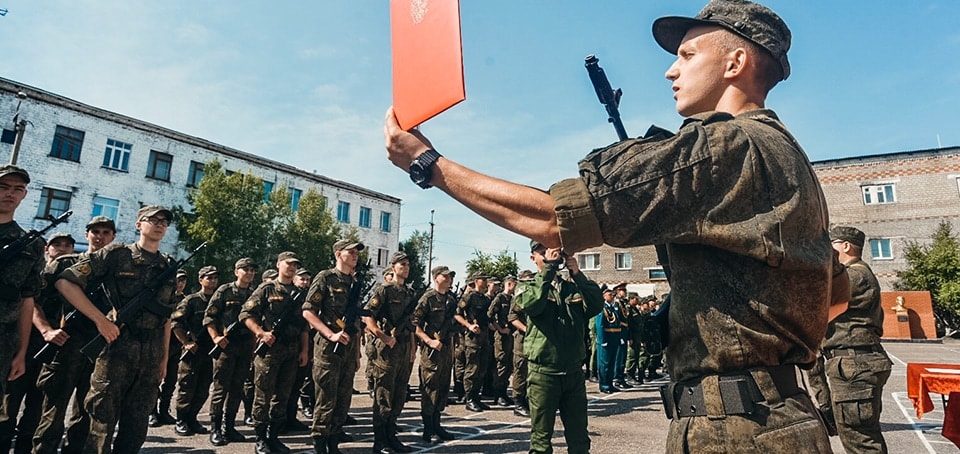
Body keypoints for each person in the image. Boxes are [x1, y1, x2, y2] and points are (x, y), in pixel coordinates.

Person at [384, 0, 844, 450]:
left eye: (688, 55)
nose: (671, 70)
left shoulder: (729, 147)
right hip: (773, 412)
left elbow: (551, 219)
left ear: (735, 62)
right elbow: (835, 296)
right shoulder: (787, 157)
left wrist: (428, 164)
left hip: (739, 429)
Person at [56, 205, 178, 453]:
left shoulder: (168, 265)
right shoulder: (116, 254)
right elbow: (66, 281)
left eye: (164, 221)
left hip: (150, 355)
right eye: (152, 219)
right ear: (138, 225)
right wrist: (101, 320)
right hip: (116, 351)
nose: (159, 224)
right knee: (101, 423)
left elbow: (166, 316)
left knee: (136, 426)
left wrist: (163, 358)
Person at [33, 216, 116, 454]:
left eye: (106, 232)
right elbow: (32, 300)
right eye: (95, 231)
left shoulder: (116, 271)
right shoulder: (63, 263)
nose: (100, 236)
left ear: (113, 237)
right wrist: (46, 330)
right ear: (86, 234)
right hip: (64, 347)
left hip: (98, 350)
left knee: (85, 416)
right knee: (52, 416)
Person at [807, 226, 892, 453]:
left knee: (860, 440)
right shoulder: (858, 274)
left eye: (831, 244)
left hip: (854, 365)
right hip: (855, 364)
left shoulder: (853, 275)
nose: (828, 251)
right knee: (859, 434)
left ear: (845, 246)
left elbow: (816, 301)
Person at [513, 241, 602, 453]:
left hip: (572, 372)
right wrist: (550, 268)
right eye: (543, 253)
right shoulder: (526, 286)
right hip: (544, 374)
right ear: (533, 258)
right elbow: (532, 305)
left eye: (554, 252)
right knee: (542, 440)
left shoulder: (571, 287)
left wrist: (578, 274)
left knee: (579, 438)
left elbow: (597, 305)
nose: (550, 256)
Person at [1, 230, 71, 454]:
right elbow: (27, 304)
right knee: (8, 407)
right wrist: (45, 330)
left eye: (67, 245)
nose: (62, 248)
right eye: (56, 244)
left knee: (36, 410)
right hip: (24, 344)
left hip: (53, 351)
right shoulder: (35, 274)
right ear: (46, 250)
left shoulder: (73, 280)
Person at [239, 251, 309, 454]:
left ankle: (274, 436)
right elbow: (246, 314)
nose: (292, 268)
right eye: (289, 264)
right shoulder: (267, 289)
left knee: (283, 396)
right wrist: (261, 333)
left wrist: (304, 350)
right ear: (279, 265)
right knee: (263, 395)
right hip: (270, 351)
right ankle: (260, 439)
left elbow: (304, 326)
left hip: (292, 350)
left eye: (295, 265)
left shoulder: (300, 293)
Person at [302, 239, 364, 454]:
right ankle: (320, 444)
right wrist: (330, 334)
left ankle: (334, 443)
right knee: (326, 399)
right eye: (351, 251)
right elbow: (308, 311)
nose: (356, 255)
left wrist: (356, 355)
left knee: (343, 398)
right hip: (328, 348)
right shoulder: (326, 278)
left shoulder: (355, 282)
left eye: (357, 252)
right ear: (339, 254)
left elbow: (355, 321)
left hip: (347, 348)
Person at [363, 251, 417, 454]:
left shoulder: (409, 293)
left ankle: (391, 434)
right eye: (401, 264)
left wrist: (412, 349)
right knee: (384, 394)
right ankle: (380, 441)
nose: (406, 267)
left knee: (400, 393)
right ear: (393, 267)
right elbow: (368, 316)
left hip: (402, 348)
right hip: (386, 350)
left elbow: (411, 324)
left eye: (408, 264)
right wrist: (383, 337)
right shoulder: (384, 290)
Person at [204, 257, 257, 446]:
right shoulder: (225, 291)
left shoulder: (253, 293)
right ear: (236, 272)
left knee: (237, 388)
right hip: (226, 346)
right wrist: (216, 338)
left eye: (252, 270)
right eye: (245, 269)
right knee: (220, 388)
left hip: (244, 346)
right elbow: (209, 316)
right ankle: (216, 428)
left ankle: (229, 426)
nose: (249, 273)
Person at [412, 265, 458, 444]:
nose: (449, 279)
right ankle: (428, 428)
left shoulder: (451, 300)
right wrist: (429, 340)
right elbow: (414, 323)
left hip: (446, 349)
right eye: (445, 276)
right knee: (430, 388)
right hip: (431, 351)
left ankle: (437, 425)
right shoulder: (428, 298)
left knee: (443, 387)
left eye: (450, 276)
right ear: (435, 278)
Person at [171, 265, 219, 436]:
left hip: (211, 350)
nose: (212, 281)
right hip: (194, 350)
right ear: (201, 280)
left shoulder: (218, 299)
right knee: (187, 386)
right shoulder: (191, 300)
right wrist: (185, 342)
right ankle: (181, 420)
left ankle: (192, 418)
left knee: (203, 387)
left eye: (214, 278)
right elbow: (175, 323)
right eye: (209, 278)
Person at [150, 268, 187, 428]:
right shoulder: (163, 298)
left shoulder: (186, 300)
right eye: (178, 280)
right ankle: (152, 412)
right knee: (155, 379)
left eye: (183, 281)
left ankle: (164, 410)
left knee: (171, 380)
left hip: (176, 345)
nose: (180, 284)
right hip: (159, 343)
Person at [455, 273, 493, 412]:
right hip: (473, 338)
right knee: (472, 368)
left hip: (484, 336)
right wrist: (469, 325)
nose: (486, 282)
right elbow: (457, 314)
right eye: (483, 279)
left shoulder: (485, 299)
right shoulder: (469, 296)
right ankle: (469, 398)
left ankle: (476, 397)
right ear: (477, 281)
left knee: (482, 368)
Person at [508, 271, 534, 417]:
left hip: (534, 340)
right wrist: (526, 329)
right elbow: (512, 317)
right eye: (527, 281)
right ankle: (518, 402)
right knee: (520, 369)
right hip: (523, 339)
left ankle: (528, 399)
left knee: (531, 370)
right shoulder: (519, 296)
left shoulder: (535, 295)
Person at [488, 275, 516, 407]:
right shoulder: (500, 298)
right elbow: (490, 315)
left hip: (511, 336)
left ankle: (504, 393)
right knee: (501, 364)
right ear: (509, 284)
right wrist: (499, 328)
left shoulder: (512, 299)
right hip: (502, 336)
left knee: (509, 365)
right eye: (514, 283)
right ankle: (498, 394)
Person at [595, 286, 625, 394]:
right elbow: (600, 325)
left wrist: (620, 337)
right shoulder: (601, 308)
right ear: (604, 296)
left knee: (612, 363)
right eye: (609, 294)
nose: (612, 296)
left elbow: (618, 324)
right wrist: (602, 340)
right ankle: (604, 385)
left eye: (612, 294)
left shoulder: (612, 308)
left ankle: (610, 384)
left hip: (614, 338)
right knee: (605, 364)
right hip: (606, 339)